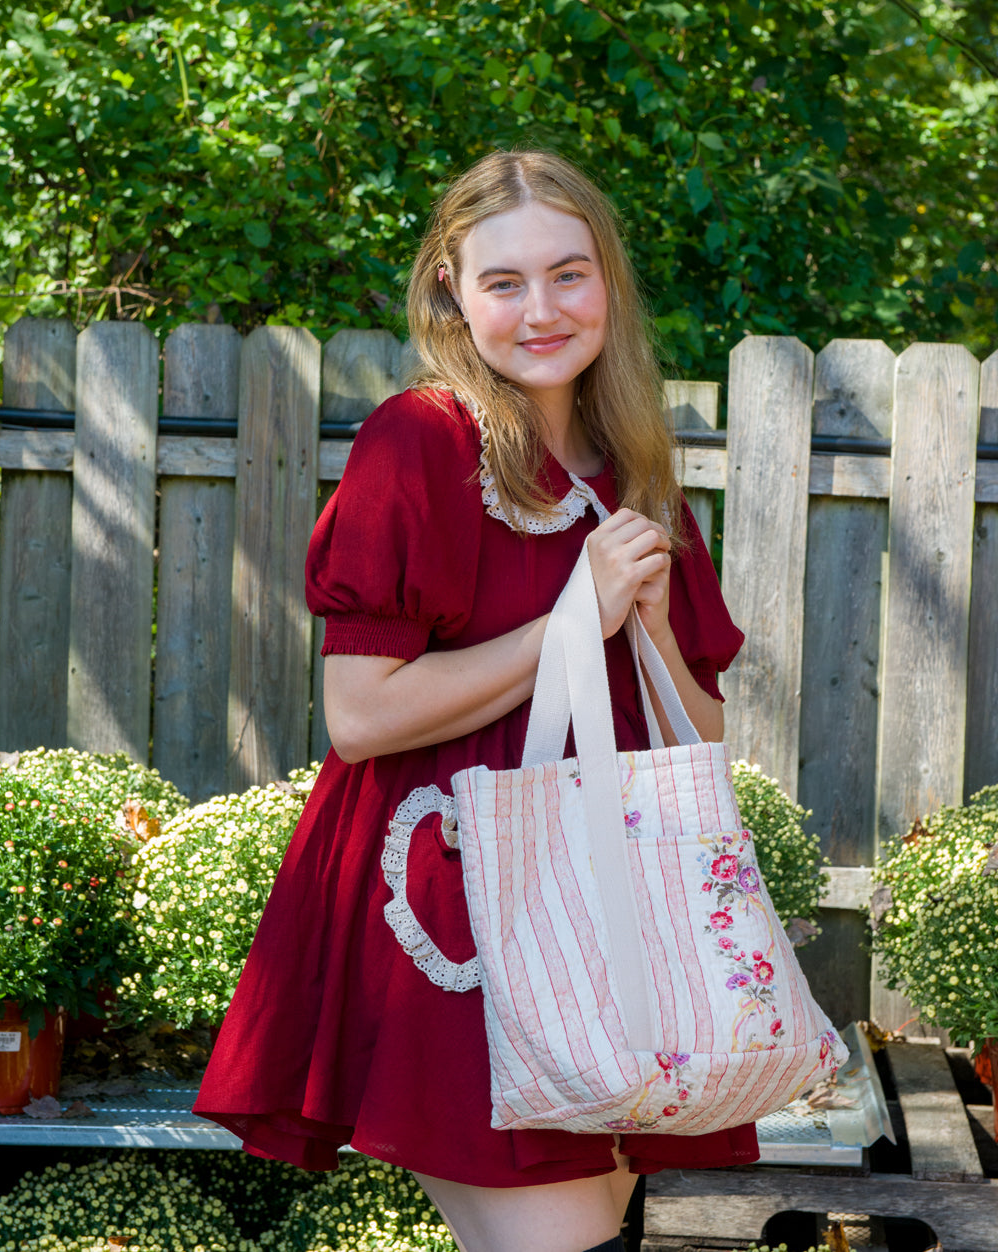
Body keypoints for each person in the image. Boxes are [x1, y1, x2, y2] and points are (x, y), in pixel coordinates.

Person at [194, 150, 758, 1252]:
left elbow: (705, 729)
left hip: (602, 915)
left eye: (569, 275)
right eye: (503, 281)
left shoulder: (631, 463)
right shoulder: (422, 442)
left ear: (609, 285)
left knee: (601, 1230)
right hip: (449, 902)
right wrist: (570, 622)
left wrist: (642, 628)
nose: (541, 310)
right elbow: (360, 716)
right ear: (450, 286)